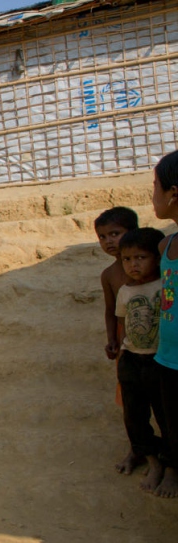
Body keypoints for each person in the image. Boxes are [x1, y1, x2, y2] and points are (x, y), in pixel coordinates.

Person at [114, 227, 164, 486]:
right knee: (134, 415)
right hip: (132, 359)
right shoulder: (124, 291)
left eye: (140, 258)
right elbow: (123, 324)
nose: (133, 264)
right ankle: (151, 458)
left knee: (166, 414)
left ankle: (169, 462)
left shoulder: (165, 284)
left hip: (161, 360)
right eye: (127, 259)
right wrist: (122, 356)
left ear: (156, 258)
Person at [151, 149, 178, 498]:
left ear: (173, 194)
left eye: (155, 186)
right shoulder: (165, 246)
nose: (151, 195)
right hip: (166, 358)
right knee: (171, 424)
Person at [96, 207, 139, 362]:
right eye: (102, 236)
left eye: (115, 234)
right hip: (126, 338)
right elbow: (110, 310)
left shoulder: (152, 264)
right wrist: (112, 339)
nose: (108, 241)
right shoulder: (108, 275)